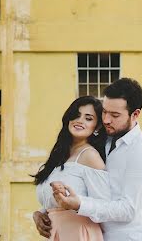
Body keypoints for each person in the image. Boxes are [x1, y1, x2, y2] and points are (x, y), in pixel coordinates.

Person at [34, 78, 142, 241]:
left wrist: (79, 204)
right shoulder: (103, 141)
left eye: (114, 115)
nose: (106, 120)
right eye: (104, 112)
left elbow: (128, 209)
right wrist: (41, 213)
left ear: (135, 114)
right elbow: (78, 184)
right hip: (93, 234)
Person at [32, 96, 111, 240]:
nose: (80, 121)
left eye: (88, 118)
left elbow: (105, 205)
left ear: (97, 126)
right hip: (57, 234)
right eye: (76, 115)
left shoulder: (90, 156)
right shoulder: (58, 157)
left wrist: (76, 204)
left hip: (80, 233)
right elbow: (52, 202)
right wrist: (38, 214)